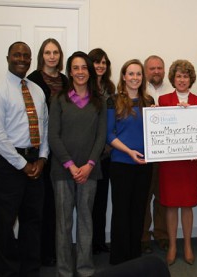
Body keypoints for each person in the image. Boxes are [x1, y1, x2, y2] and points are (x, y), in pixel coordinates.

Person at [0, 41, 49, 276]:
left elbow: (44, 126)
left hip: (36, 163)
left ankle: (30, 270)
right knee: (5, 224)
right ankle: (8, 273)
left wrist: (42, 159)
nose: (22, 59)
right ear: (8, 58)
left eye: (26, 55)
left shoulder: (37, 91)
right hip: (8, 165)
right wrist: (23, 165)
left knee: (33, 222)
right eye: (17, 55)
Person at [48, 51, 107, 276]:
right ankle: (63, 271)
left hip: (90, 171)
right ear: (70, 71)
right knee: (63, 224)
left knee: (85, 221)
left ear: (89, 71)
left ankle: (85, 269)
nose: (80, 72)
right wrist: (71, 166)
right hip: (63, 172)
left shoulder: (98, 100)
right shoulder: (58, 99)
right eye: (76, 68)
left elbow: (100, 137)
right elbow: (53, 136)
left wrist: (89, 164)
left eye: (84, 67)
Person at [108, 59, 155, 264]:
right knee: (121, 211)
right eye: (131, 74)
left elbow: (158, 130)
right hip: (121, 163)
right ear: (124, 77)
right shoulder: (113, 100)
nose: (135, 77)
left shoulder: (149, 100)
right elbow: (109, 134)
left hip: (145, 165)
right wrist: (129, 152)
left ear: (142, 78)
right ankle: (119, 259)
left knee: (138, 211)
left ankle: (134, 256)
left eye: (138, 74)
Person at [158, 60, 197, 266]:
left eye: (185, 76)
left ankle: (187, 245)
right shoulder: (163, 100)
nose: (182, 80)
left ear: (191, 79)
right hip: (170, 162)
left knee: (187, 205)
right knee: (170, 204)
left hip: (191, 163)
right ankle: (173, 245)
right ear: (173, 79)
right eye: (178, 76)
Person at [27, 38, 68, 267]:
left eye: (55, 52)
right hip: (40, 147)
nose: (52, 56)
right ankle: (39, 252)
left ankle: (53, 251)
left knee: (56, 203)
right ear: (42, 55)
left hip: (61, 147)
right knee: (39, 202)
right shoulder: (32, 80)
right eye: (47, 52)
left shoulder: (65, 80)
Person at [141, 55, 171, 254]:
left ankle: (161, 234)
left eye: (159, 68)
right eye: (152, 68)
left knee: (162, 197)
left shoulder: (173, 91)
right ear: (145, 71)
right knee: (144, 196)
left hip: (166, 153)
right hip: (143, 153)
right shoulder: (138, 90)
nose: (156, 71)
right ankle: (143, 236)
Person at [88, 48, 116, 255]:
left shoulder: (110, 87)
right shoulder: (83, 87)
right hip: (87, 154)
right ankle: (85, 243)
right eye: (96, 62)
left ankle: (98, 241)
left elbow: (112, 120)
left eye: (104, 63)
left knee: (100, 201)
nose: (100, 66)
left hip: (106, 155)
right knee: (86, 201)